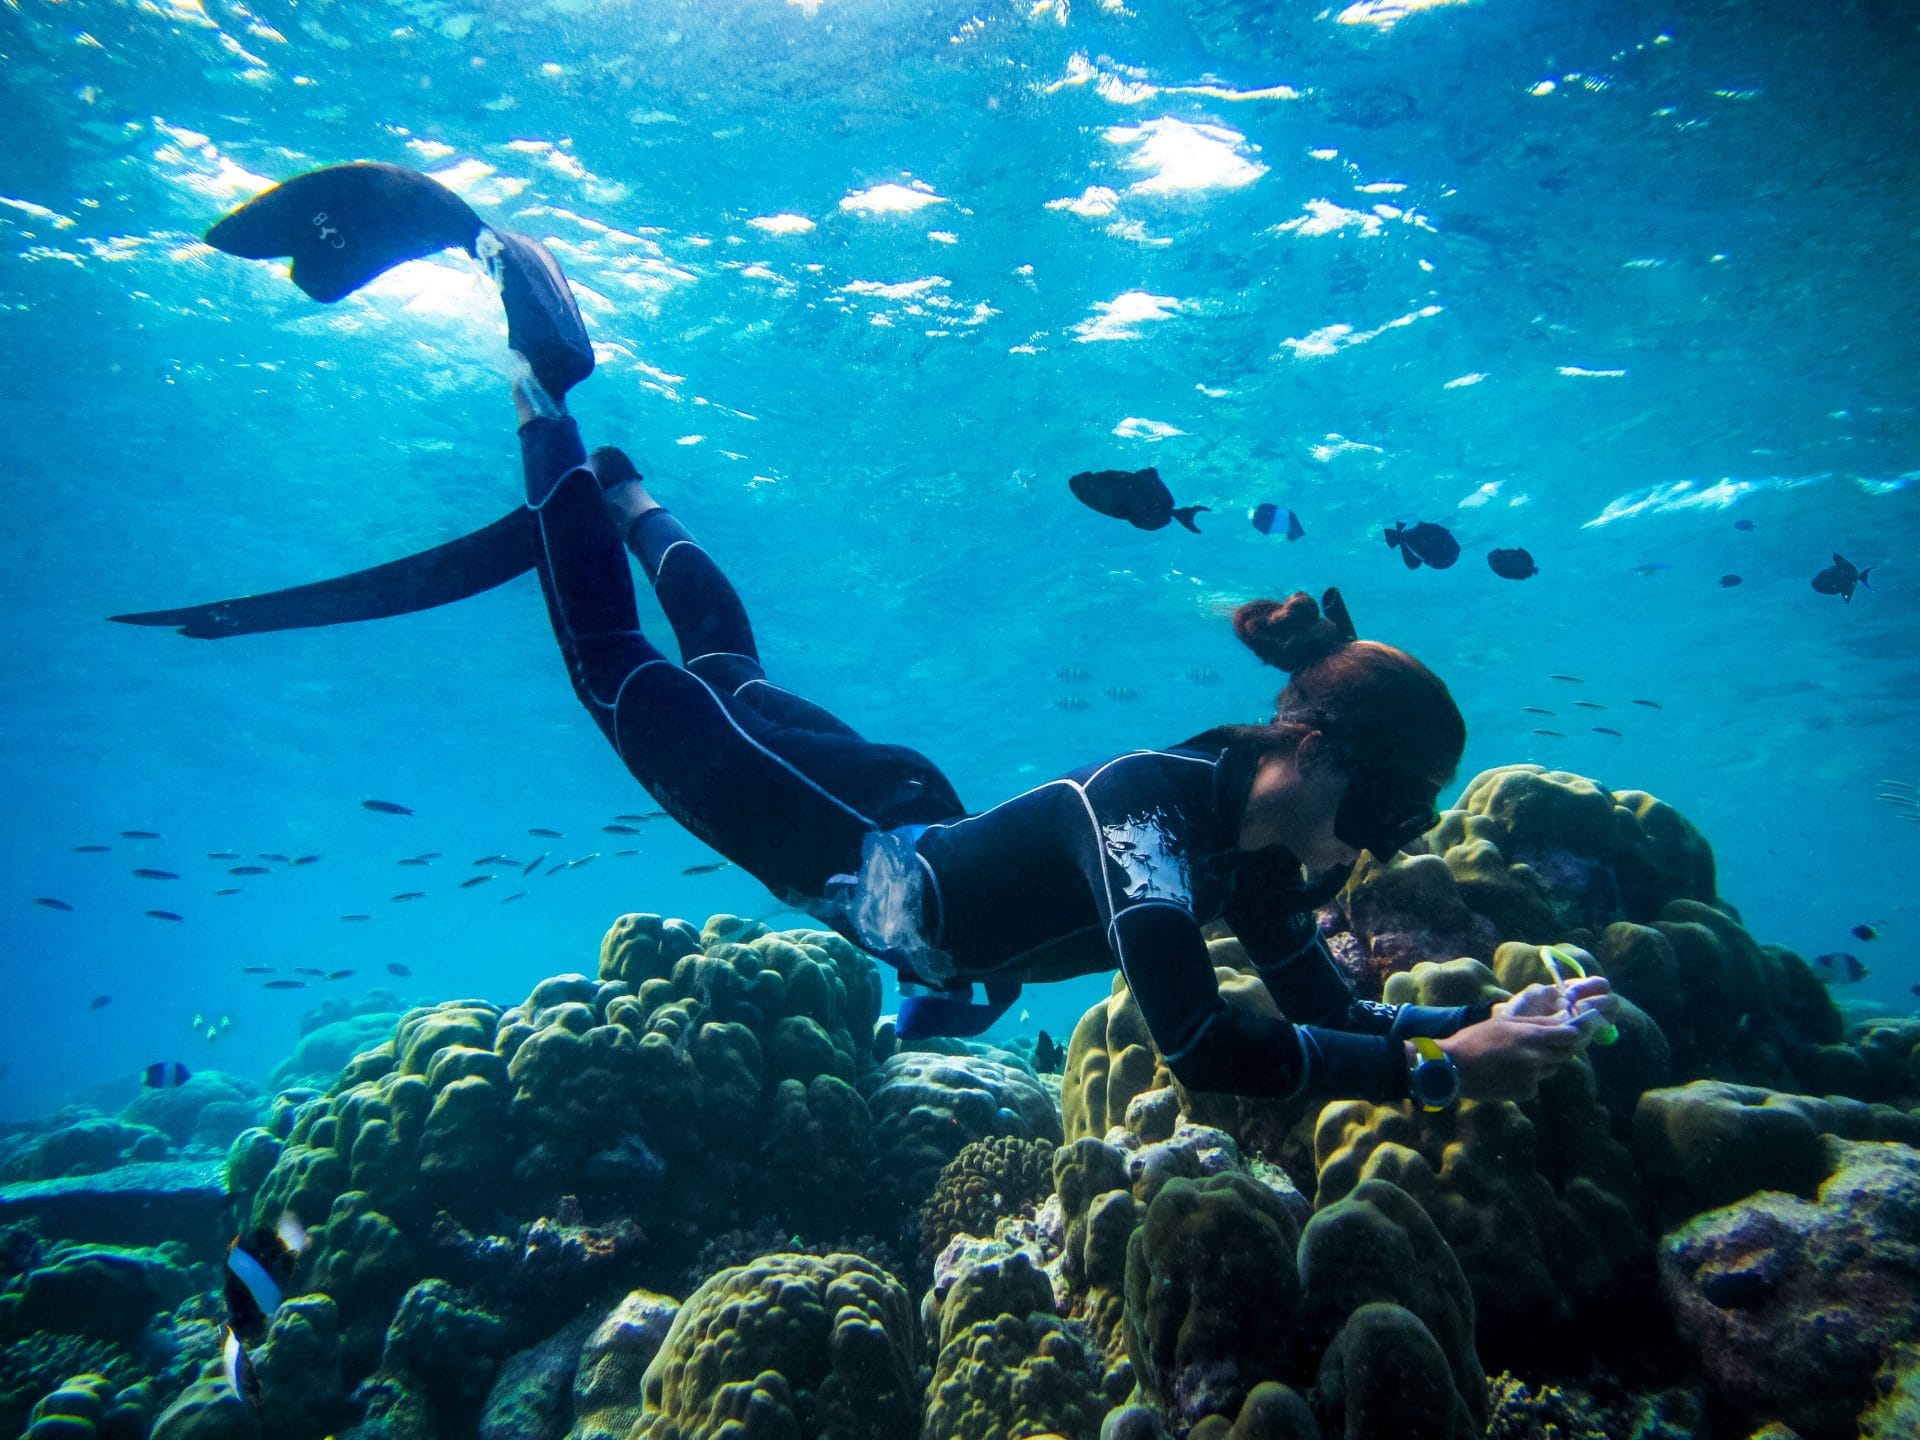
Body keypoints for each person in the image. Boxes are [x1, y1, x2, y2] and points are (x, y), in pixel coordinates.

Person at [128, 163, 1617, 1110]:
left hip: (916, 817)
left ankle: (627, 496)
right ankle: (546, 393)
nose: (1396, 844)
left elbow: (1320, 1009)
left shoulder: (1246, 855)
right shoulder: (1159, 822)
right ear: (1318, 740)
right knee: (624, 674)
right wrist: (1450, 1070)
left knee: (728, 670)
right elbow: (1213, 1053)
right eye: (1406, 810)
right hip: (863, 854)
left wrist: (1486, 1019)